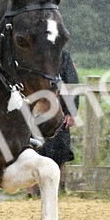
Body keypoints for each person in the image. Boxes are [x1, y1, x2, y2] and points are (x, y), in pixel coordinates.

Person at [31, 50, 80, 196]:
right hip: (33, 111)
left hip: (58, 112)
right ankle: (32, 191)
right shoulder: (29, 54)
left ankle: (56, 189)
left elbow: (71, 82)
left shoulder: (62, 55)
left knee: (59, 150)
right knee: (32, 150)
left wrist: (71, 111)